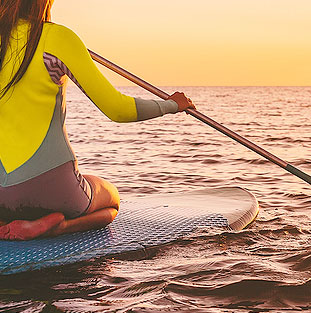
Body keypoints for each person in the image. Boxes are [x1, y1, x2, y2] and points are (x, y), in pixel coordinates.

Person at [0, 0, 195, 240]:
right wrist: (171, 105)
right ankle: (58, 226)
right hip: (50, 187)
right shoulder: (56, 38)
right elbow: (117, 109)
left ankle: (6, 218)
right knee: (111, 200)